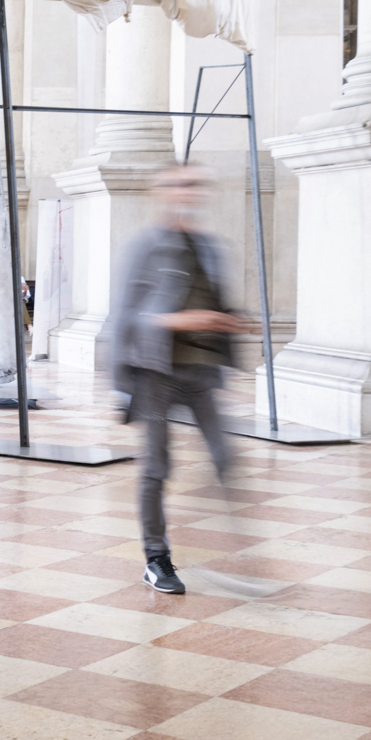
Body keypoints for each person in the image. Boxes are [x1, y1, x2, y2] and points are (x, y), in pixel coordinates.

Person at [108, 162, 246, 595]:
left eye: (195, 184)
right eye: (180, 184)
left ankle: (239, 550)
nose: (189, 191)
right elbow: (126, 316)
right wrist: (179, 320)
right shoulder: (144, 246)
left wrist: (230, 322)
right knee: (158, 465)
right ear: (161, 190)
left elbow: (216, 300)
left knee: (225, 455)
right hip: (156, 371)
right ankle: (156, 558)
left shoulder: (209, 246)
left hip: (201, 369)